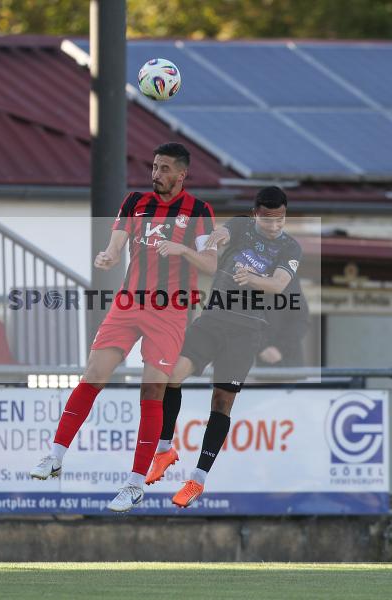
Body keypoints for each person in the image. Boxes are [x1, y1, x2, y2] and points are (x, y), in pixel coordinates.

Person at [30, 142, 217, 512]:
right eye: (154, 167)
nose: (156, 174)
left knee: (151, 392)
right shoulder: (135, 202)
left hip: (170, 310)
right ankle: (54, 456)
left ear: (182, 174)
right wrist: (108, 254)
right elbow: (116, 243)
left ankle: (134, 483)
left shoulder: (199, 211)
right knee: (93, 374)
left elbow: (210, 263)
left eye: (165, 169)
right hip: (128, 302)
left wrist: (183, 252)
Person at [145, 186, 304, 507]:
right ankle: (164, 449)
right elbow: (221, 234)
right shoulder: (241, 225)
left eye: (280, 220)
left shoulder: (291, 247)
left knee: (221, 402)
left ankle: (197, 479)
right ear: (256, 214)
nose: (274, 226)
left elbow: (277, 284)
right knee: (171, 376)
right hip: (214, 318)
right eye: (268, 220)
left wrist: (253, 277)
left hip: (247, 331)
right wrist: (214, 238)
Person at [255, 275, 309, 368]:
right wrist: (262, 347)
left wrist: (280, 348)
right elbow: (244, 319)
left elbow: (301, 320)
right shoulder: (248, 278)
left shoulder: (289, 279)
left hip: (289, 361)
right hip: (259, 361)